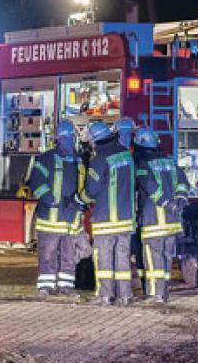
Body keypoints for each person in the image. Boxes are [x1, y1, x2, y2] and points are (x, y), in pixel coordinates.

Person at [75, 120, 136, 305]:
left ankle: (105, 296)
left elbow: (91, 190)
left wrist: (79, 200)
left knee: (104, 259)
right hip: (126, 219)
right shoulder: (126, 155)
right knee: (122, 259)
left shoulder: (99, 159)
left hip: (106, 219)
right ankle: (125, 296)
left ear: (95, 139)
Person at [27, 120, 84, 296]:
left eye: (71, 138)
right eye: (65, 138)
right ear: (58, 139)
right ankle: (46, 287)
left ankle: (66, 287)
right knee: (48, 254)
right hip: (50, 219)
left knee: (69, 256)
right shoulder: (47, 158)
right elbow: (35, 180)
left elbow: (83, 185)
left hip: (69, 218)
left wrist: (80, 203)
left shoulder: (78, 160)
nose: (68, 141)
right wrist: (48, 198)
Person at [132, 127, 190, 303]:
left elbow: (147, 185)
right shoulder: (170, 161)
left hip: (154, 220)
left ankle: (154, 294)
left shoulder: (142, 164)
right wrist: (179, 199)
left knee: (152, 257)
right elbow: (182, 182)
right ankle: (163, 292)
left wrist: (164, 202)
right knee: (165, 257)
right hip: (172, 222)